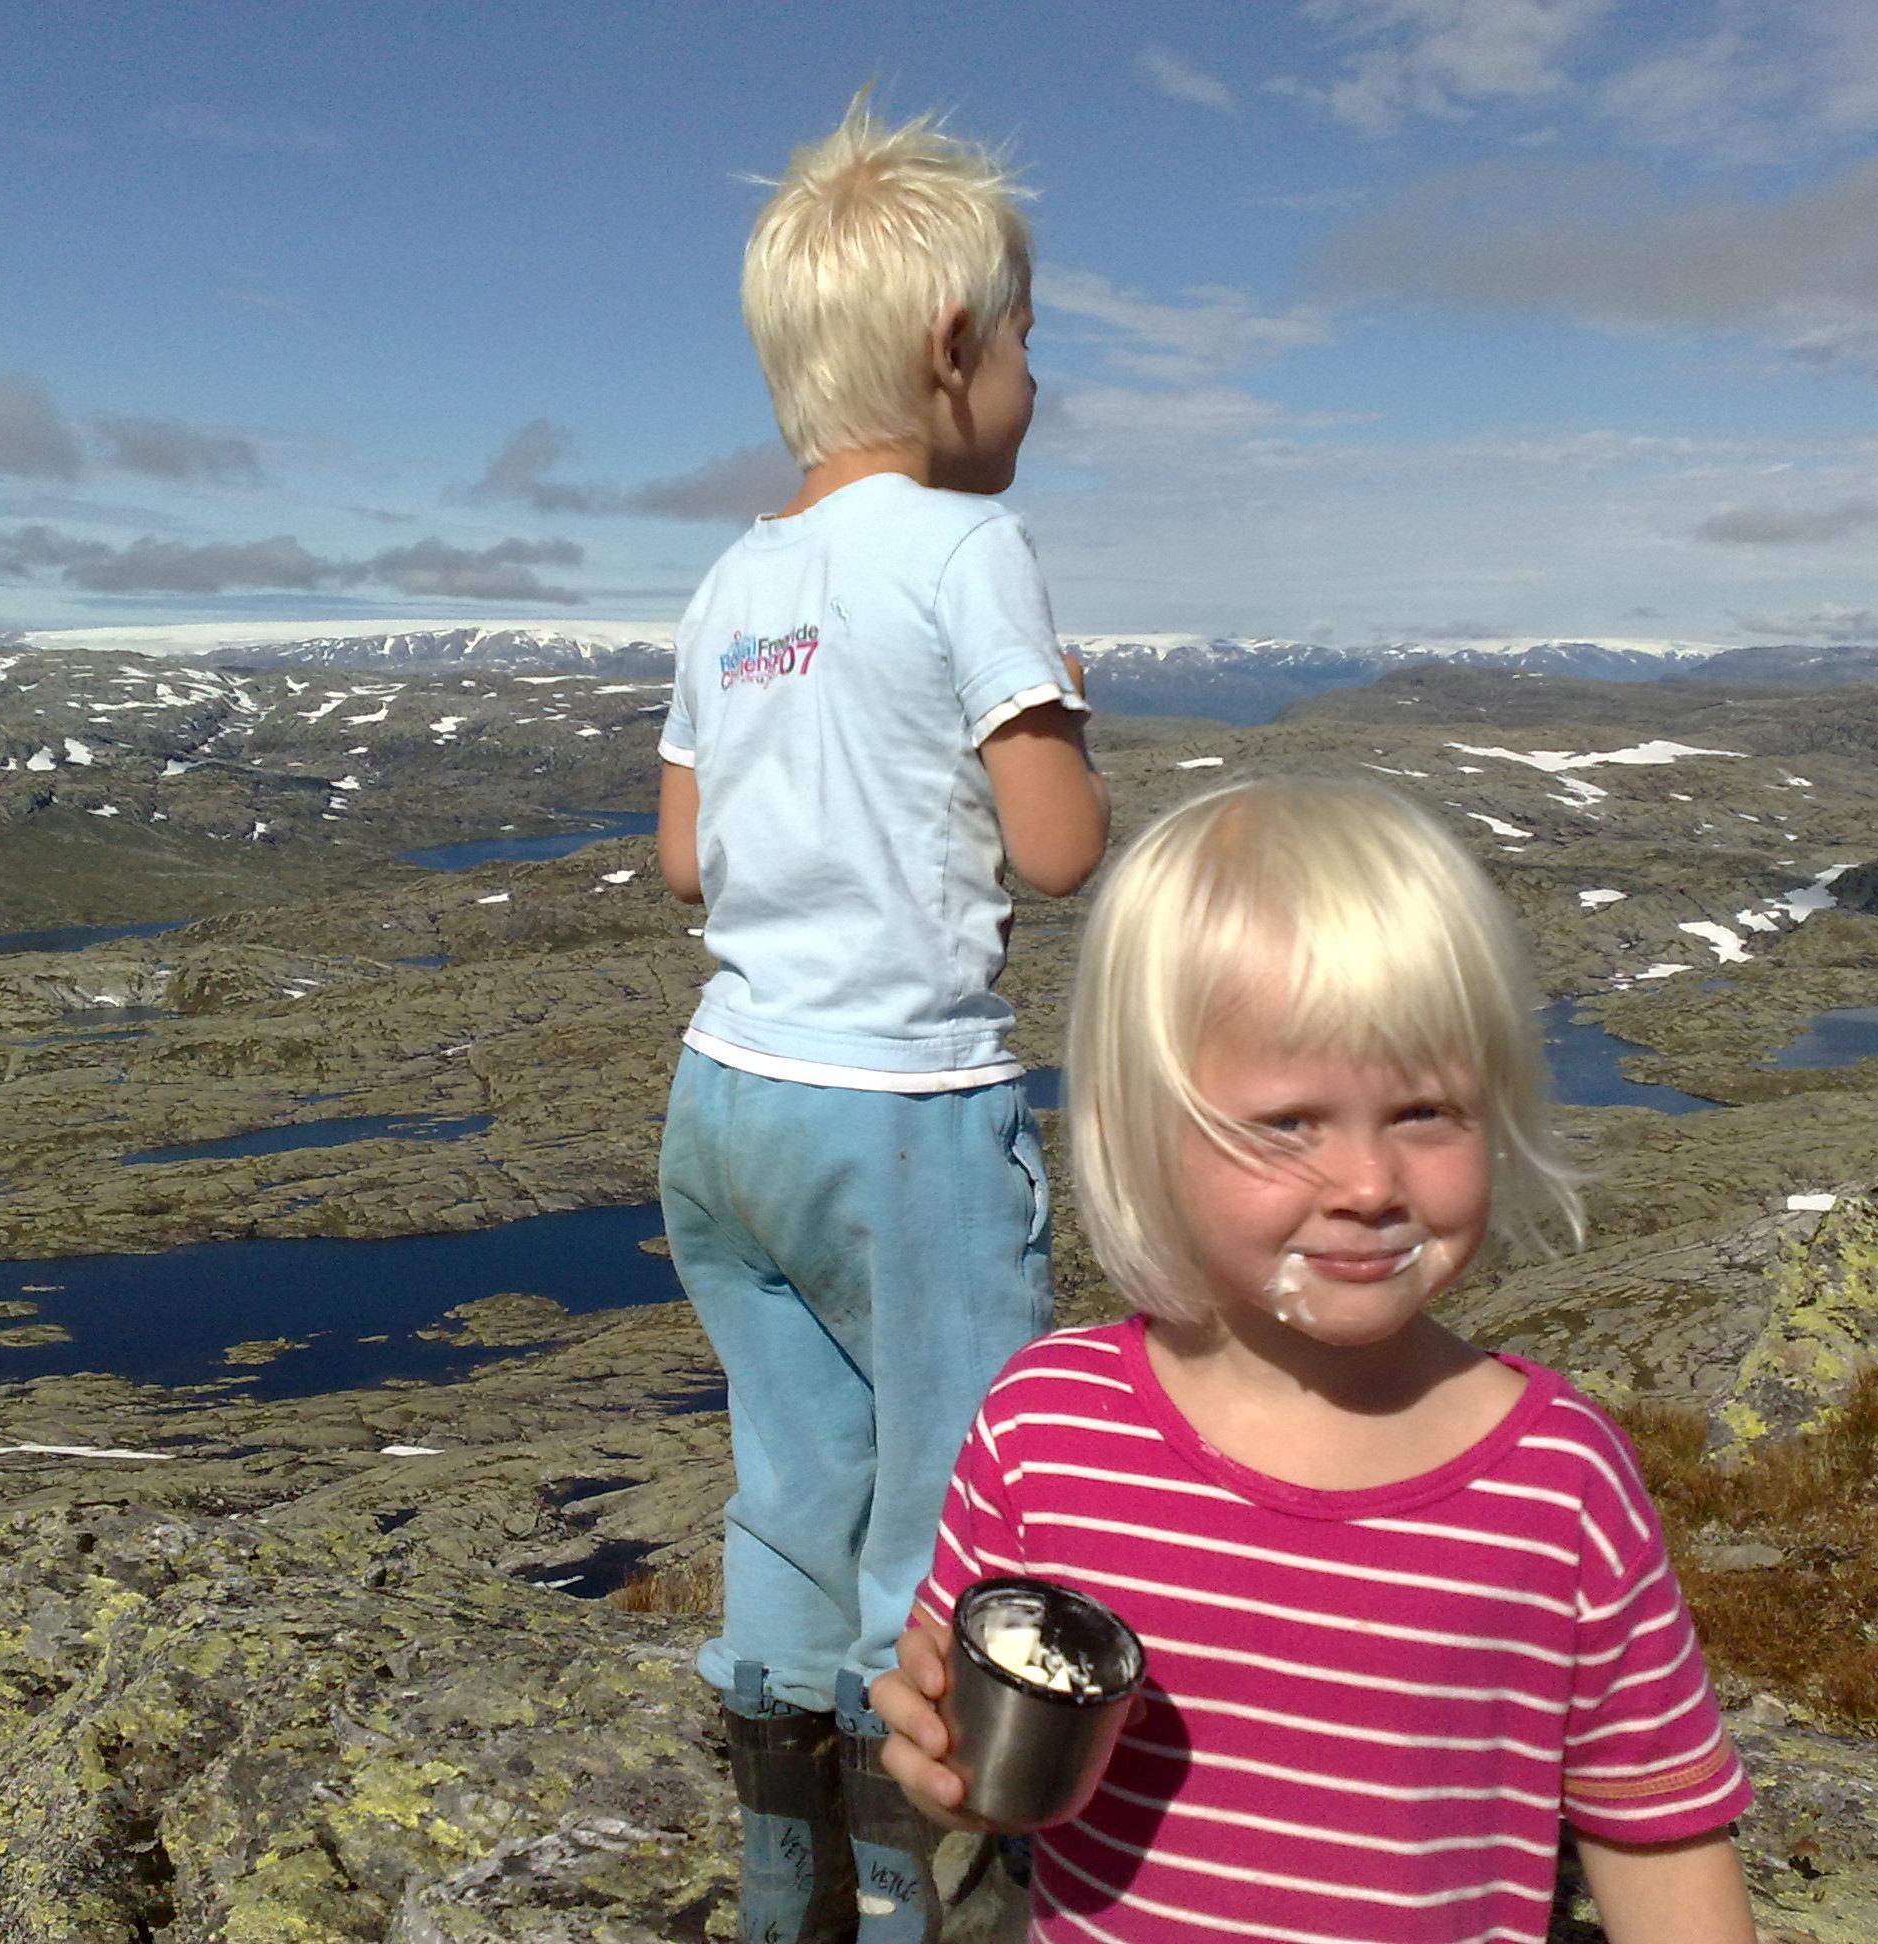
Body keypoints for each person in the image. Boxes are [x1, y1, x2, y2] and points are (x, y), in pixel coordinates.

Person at [873, 779, 1759, 1944]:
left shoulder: (1558, 1483)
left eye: (1427, 1111)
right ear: (1144, 1131)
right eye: (1288, 1121)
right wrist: (929, 1737)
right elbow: (948, 1673)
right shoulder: (1048, 1426)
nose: (1368, 1185)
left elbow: (1664, 1844)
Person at [654, 90, 1110, 1944]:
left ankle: (785, 1880)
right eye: (1024, 342)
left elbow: (687, 863)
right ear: (950, 350)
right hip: (901, 1116)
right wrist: (1059, 709)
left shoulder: (730, 578)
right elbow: (1059, 850)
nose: (1030, 379)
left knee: (791, 1479)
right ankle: (932, 1901)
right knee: (948, 1509)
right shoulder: (963, 553)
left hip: (724, 1107)